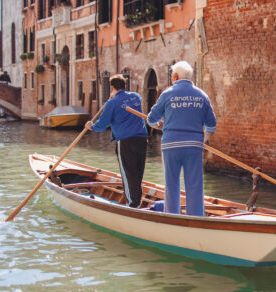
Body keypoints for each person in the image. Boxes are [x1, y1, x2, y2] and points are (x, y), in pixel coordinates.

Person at [147, 61, 216, 216]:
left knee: (172, 185)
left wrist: (158, 125)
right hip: (193, 146)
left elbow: (151, 119)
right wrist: (205, 139)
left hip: (171, 145)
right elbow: (211, 124)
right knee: (195, 185)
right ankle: (197, 217)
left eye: (172, 75)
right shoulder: (201, 95)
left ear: (175, 76)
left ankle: (172, 217)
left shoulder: (167, 94)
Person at [85, 74, 148, 208]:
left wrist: (91, 126)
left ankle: (133, 204)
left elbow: (102, 125)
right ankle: (137, 200)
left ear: (112, 87)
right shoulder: (136, 97)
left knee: (129, 173)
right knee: (137, 172)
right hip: (142, 139)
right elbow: (129, 102)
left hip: (125, 141)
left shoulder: (112, 103)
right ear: (124, 85)